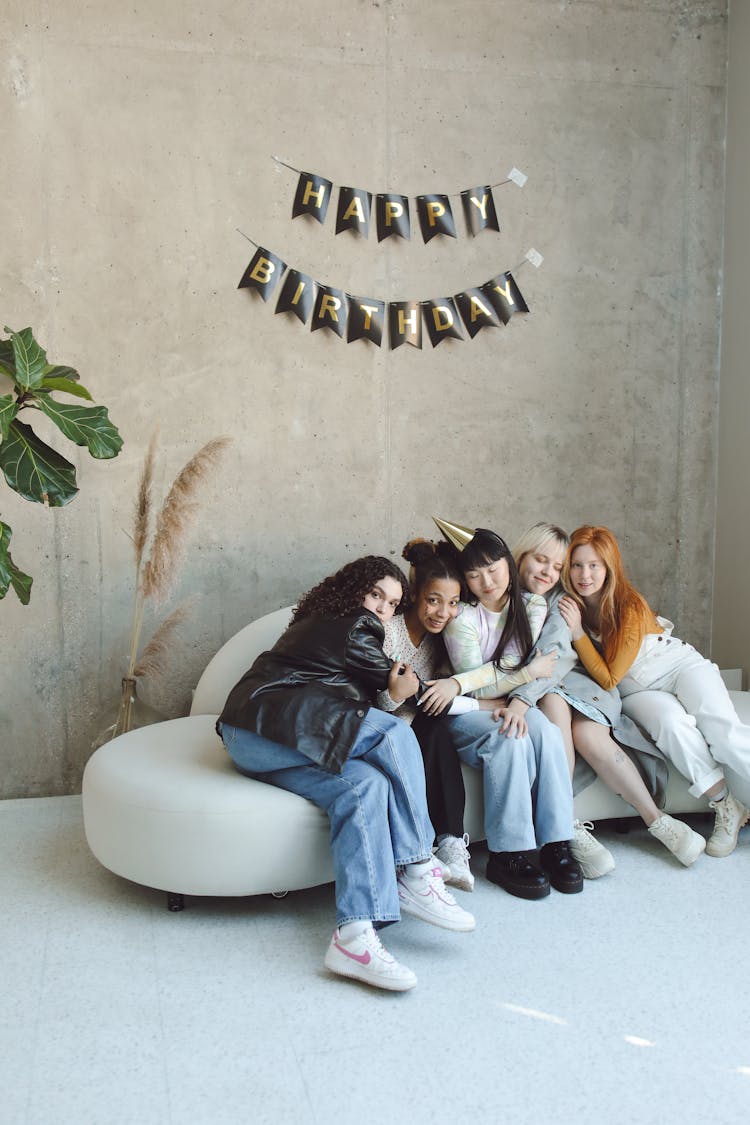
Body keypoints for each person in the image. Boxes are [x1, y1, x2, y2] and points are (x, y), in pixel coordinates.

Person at [216, 555, 474, 995]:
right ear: (354, 590)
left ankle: (354, 939)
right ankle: (415, 865)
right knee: (393, 735)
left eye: (392, 604)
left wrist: (397, 690)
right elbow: (400, 682)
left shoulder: (323, 626)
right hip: (267, 721)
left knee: (364, 788)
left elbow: (381, 689)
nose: (382, 609)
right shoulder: (352, 623)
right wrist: (441, 691)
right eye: (376, 594)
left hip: (257, 742)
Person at [509, 523, 705, 872]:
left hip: (579, 680)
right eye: (545, 562)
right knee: (554, 709)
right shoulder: (503, 592)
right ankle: (566, 824)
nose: (550, 573)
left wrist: (522, 696)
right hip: (546, 685)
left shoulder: (563, 602)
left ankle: (658, 820)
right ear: (522, 555)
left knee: (587, 733)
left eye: (556, 566)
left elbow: (557, 657)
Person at [377, 537, 557, 892]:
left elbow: (459, 688)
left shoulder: (441, 637)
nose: (442, 612)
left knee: (529, 729)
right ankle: (456, 847)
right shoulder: (388, 632)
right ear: (415, 595)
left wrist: (508, 701)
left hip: (427, 717)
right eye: (433, 600)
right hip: (388, 724)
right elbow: (371, 698)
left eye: (453, 602)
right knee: (440, 729)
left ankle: (539, 843)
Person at [559, 525, 750, 859]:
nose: (584, 574)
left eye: (594, 565)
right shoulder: (570, 606)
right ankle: (726, 805)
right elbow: (612, 681)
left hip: (677, 667)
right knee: (671, 727)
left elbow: (607, 677)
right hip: (638, 691)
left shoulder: (628, 604)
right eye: (577, 565)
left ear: (609, 568)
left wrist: (577, 633)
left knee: (725, 734)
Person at [419, 518, 582, 900]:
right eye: (475, 576)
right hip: (460, 713)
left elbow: (507, 670)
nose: (488, 583)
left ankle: (557, 842)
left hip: (500, 703)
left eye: (493, 570)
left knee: (542, 728)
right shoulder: (461, 620)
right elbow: (483, 680)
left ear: (508, 563)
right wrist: (524, 674)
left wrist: (517, 695)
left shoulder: (532, 604)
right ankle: (509, 853)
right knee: (511, 737)